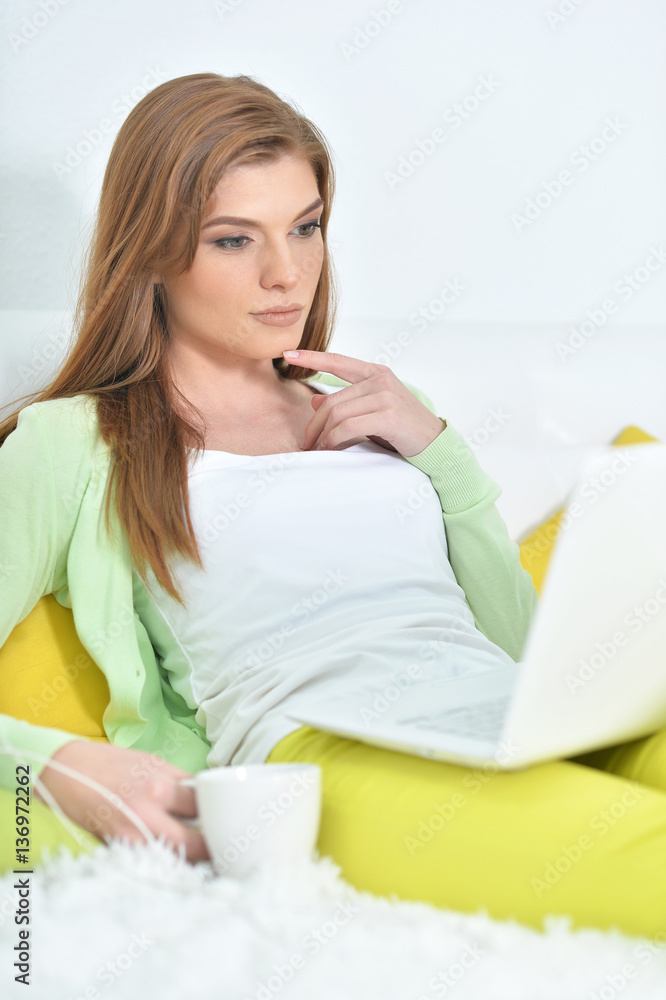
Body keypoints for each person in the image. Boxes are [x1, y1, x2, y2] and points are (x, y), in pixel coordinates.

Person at [1, 72, 665, 940]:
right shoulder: (76, 441)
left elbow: (512, 644)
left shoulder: (380, 411)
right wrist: (53, 762)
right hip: (324, 757)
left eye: (306, 227)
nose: (287, 274)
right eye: (233, 240)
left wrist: (442, 456)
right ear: (152, 252)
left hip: (508, 710)